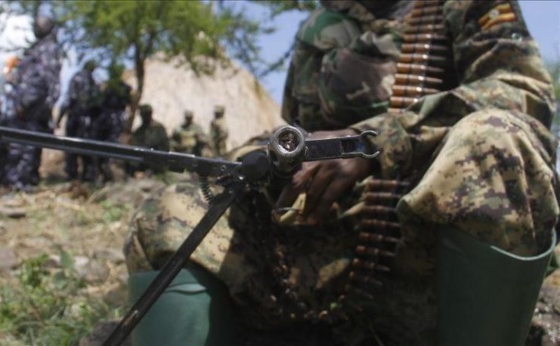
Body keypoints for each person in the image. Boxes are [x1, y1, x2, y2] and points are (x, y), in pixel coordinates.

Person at [123, 1, 559, 345]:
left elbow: (523, 93)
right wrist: (268, 159)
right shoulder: (320, 25)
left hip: (428, 254)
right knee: (171, 212)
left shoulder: (463, 5)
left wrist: (375, 140)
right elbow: (293, 130)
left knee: (495, 139)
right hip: (322, 256)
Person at [0, 16, 62, 196]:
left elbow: (42, 81)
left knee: (22, 150)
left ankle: (18, 188)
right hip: (18, 109)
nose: (37, 25)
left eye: (42, 22)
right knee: (4, 146)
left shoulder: (48, 50)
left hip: (28, 112)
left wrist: (24, 104)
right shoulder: (38, 49)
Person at [88, 63, 132, 183]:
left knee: (109, 147)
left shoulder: (116, 87)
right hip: (110, 119)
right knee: (105, 146)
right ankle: (103, 172)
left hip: (110, 119)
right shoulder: (116, 87)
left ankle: (108, 173)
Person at [57, 60, 100, 181]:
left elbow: (68, 99)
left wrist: (59, 119)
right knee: (86, 148)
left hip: (75, 118)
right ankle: (88, 176)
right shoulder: (94, 83)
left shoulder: (77, 78)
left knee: (71, 147)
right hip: (87, 121)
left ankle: (72, 175)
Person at [125, 104, 169, 176]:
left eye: (147, 114)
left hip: (155, 160)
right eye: (144, 114)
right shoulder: (139, 130)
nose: (145, 116)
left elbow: (154, 144)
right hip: (142, 160)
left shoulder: (158, 128)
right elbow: (135, 144)